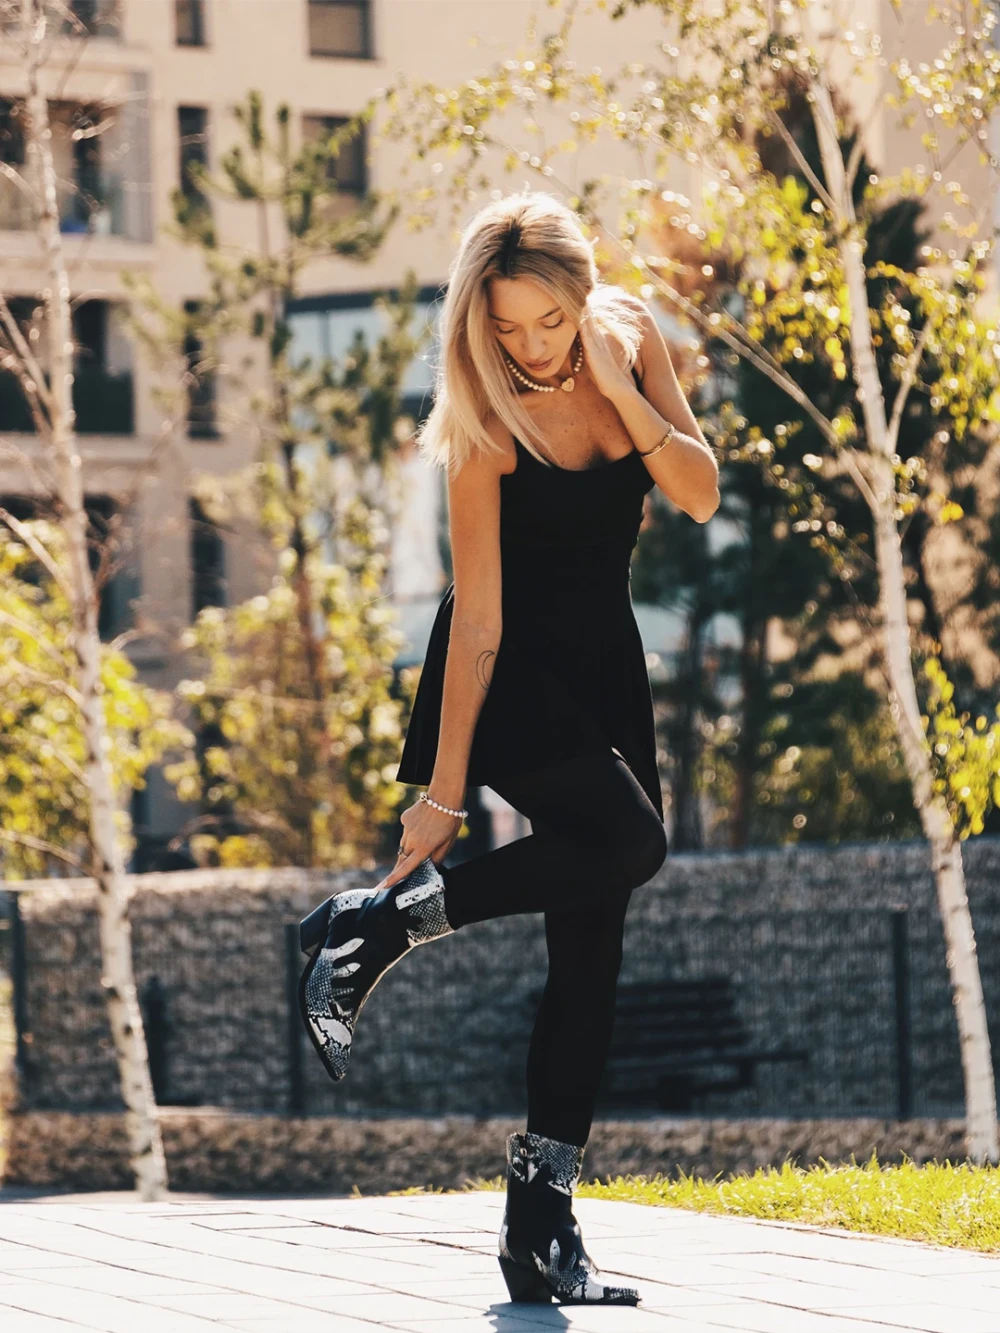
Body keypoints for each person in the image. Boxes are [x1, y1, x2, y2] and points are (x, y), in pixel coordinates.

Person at [298, 190, 719, 1306]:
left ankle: (540, 1235)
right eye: (506, 326)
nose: (529, 346)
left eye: (549, 321)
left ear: (586, 296)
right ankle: (382, 923)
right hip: (510, 677)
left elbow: (697, 491)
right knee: (632, 844)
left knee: (590, 957)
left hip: (606, 668)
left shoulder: (633, 336)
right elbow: (477, 613)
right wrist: (442, 795)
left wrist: (619, 386)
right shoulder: (483, 416)